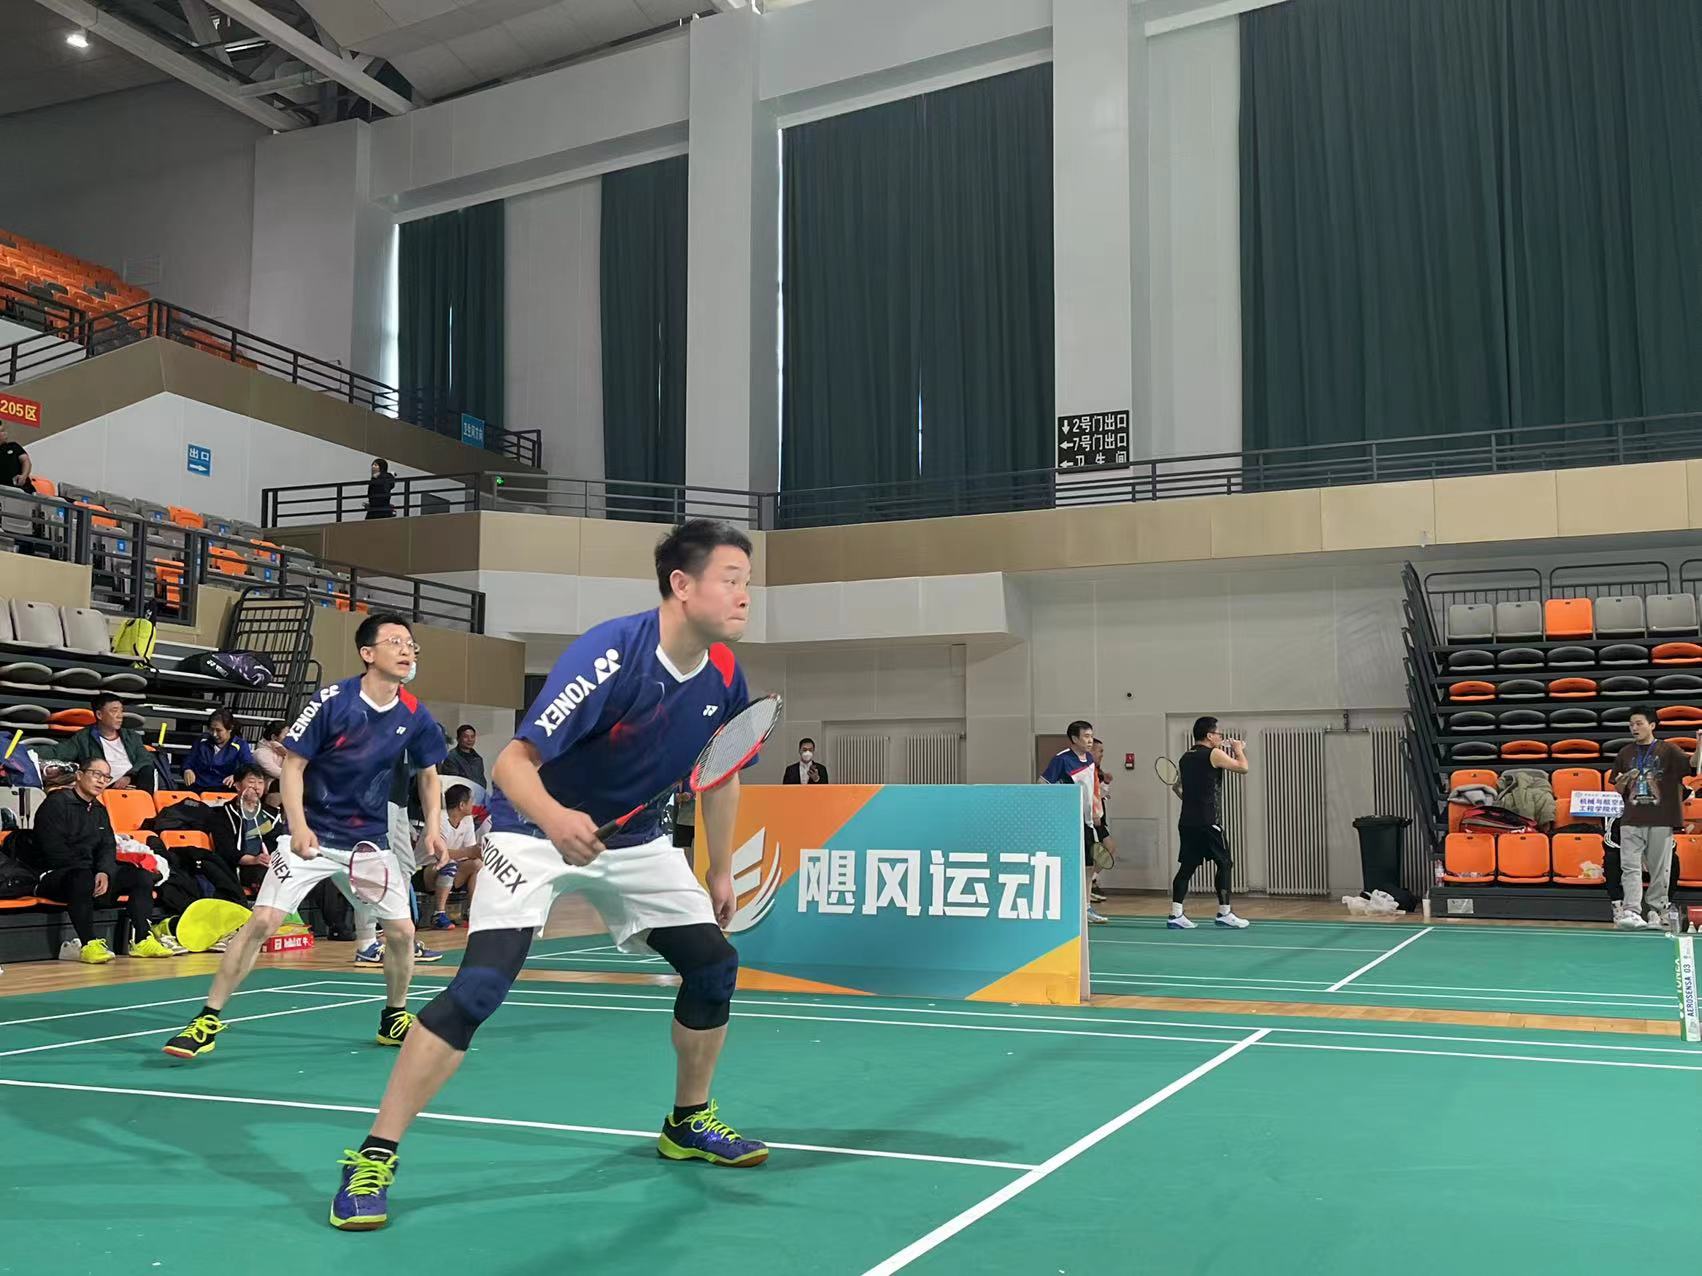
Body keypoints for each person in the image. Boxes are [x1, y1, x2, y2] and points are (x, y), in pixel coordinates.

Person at [327, 519, 764, 1233]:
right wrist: (557, 819)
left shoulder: (722, 671)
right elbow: (511, 764)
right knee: (478, 990)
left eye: (748, 583)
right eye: (732, 580)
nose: (746, 596)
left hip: (636, 839)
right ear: (682, 586)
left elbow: (723, 772)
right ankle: (374, 1154)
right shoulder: (612, 653)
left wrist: (718, 866)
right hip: (534, 830)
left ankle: (687, 1121)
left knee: (714, 966)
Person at [162, 614, 449, 1061]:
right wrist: (298, 826)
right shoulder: (333, 701)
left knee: (401, 931)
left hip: (368, 844)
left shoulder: (414, 712)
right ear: (367, 653)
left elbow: (428, 774)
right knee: (263, 922)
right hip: (312, 836)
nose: (407, 650)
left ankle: (394, 1016)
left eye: (411, 643)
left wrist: (433, 827)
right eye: (395, 641)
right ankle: (207, 1019)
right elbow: (293, 767)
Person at [34, 758, 172, 963]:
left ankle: (142, 940)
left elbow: (107, 846)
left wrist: (104, 871)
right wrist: (92, 872)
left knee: (141, 876)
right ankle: (88, 944)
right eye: (96, 774)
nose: (101, 781)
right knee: (82, 878)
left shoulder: (99, 809)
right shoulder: (56, 804)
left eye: (106, 777)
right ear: (79, 775)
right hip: (56, 875)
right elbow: (53, 851)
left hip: (91, 873)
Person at [1607, 706, 1686, 930]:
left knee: (1660, 868)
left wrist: (1700, 744)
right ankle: (1632, 910)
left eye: (1639, 723)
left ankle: (1656, 910)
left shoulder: (1669, 750)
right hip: (1632, 817)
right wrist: (1625, 779)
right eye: (1631, 724)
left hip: (1661, 817)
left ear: (1652, 725)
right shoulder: (1625, 753)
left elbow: (1692, 767)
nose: (1634, 728)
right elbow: (1618, 787)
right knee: (1629, 866)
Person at [1169, 716, 1251, 930]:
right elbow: (1243, 767)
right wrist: (1238, 749)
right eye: (1219, 734)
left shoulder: (1185, 757)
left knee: (1187, 867)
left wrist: (1193, 801)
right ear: (1209, 735)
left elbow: (1177, 788)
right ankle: (1224, 912)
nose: (1221, 738)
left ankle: (1175, 914)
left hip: (1187, 821)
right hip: (1209, 821)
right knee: (1225, 863)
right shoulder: (1214, 753)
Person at [1041, 720, 1107, 926]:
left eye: (1091, 736)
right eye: (1086, 736)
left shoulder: (1089, 759)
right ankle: (1063, 907)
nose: (1090, 740)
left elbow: (1092, 787)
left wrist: (1096, 810)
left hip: (1086, 822)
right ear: (1074, 739)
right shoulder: (1061, 760)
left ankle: (1086, 907)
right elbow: (1042, 785)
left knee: (1088, 866)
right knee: (1068, 866)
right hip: (1067, 822)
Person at [52, 692, 159, 791]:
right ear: (99, 715)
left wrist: (129, 776)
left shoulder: (132, 736)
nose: (120, 716)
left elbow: (145, 759)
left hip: (134, 783)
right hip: (105, 788)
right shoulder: (84, 738)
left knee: (147, 770)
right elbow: (58, 752)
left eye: (121, 711)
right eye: (114, 711)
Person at [420, 784, 481, 929]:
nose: (473, 804)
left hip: (451, 869)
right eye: (471, 801)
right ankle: (438, 915)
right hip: (425, 869)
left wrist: (477, 852)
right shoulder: (438, 819)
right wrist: (469, 852)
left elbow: (470, 852)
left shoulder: (467, 820)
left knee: (477, 864)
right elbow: (441, 854)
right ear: (462, 805)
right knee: (448, 864)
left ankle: (472, 912)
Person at [181, 709, 256, 789]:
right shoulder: (202, 741)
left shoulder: (240, 745)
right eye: (211, 729)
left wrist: (236, 776)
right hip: (198, 787)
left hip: (225, 789)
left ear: (230, 728)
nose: (214, 734)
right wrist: (187, 769)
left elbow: (248, 767)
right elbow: (189, 760)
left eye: (218, 730)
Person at [1090, 739, 1118, 905]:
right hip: (1092, 819)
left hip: (1100, 817)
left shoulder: (1097, 771)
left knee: (1109, 848)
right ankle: (1090, 883)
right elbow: (1092, 795)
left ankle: (1091, 881)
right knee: (1106, 848)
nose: (1102, 755)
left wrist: (1105, 782)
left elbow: (1100, 794)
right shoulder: (1087, 770)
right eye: (1099, 751)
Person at [439, 725, 488, 791]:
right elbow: (452, 783)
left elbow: (482, 780)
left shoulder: (477, 758)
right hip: (460, 795)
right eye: (466, 737)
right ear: (458, 739)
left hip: (478, 794)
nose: (469, 740)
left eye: (472, 737)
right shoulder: (451, 757)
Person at [0, 423, 35, 493]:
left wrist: (24, 476)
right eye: (2, 431)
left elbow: (25, 461)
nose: (5, 433)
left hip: (21, 490)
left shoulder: (13, 446)